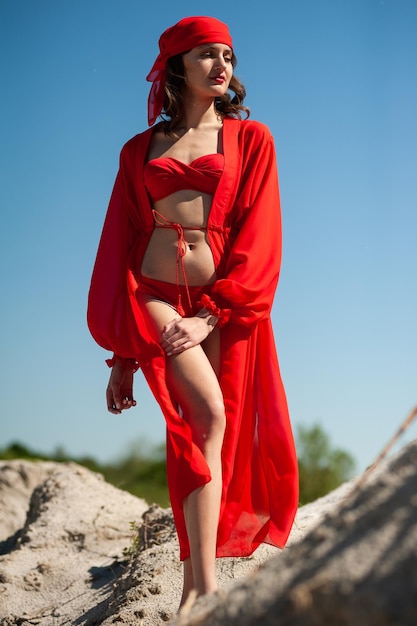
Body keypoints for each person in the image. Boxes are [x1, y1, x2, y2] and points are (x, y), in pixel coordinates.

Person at [87, 15, 298, 606]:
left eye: (228, 54)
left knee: (210, 432)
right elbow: (119, 240)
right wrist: (123, 352)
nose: (222, 64)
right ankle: (198, 593)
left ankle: (198, 589)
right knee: (206, 415)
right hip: (153, 295)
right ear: (177, 64)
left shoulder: (252, 140)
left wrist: (214, 312)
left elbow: (262, 235)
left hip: (218, 307)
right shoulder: (138, 150)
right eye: (206, 53)